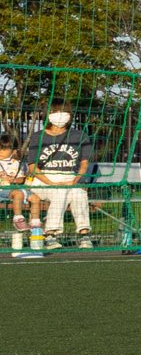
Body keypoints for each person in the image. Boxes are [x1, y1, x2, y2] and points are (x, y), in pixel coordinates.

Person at [27, 104, 95, 254]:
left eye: (64, 112)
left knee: (79, 193)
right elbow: (32, 168)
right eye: (55, 112)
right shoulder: (38, 137)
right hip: (43, 178)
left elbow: (84, 163)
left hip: (70, 176)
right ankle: (50, 234)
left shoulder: (79, 135)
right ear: (48, 115)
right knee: (60, 192)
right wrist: (51, 182)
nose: (60, 115)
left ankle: (84, 234)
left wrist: (76, 180)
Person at [0, 128, 33, 259]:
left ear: (13, 151)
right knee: (18, 194)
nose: (1, 152)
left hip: (12, 189)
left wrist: (13, 179)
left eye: (4, 150)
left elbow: (22, 179)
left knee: (33, 197)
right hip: (2, 190)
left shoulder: (17, 164)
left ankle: (34, 226)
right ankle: (18, 219)